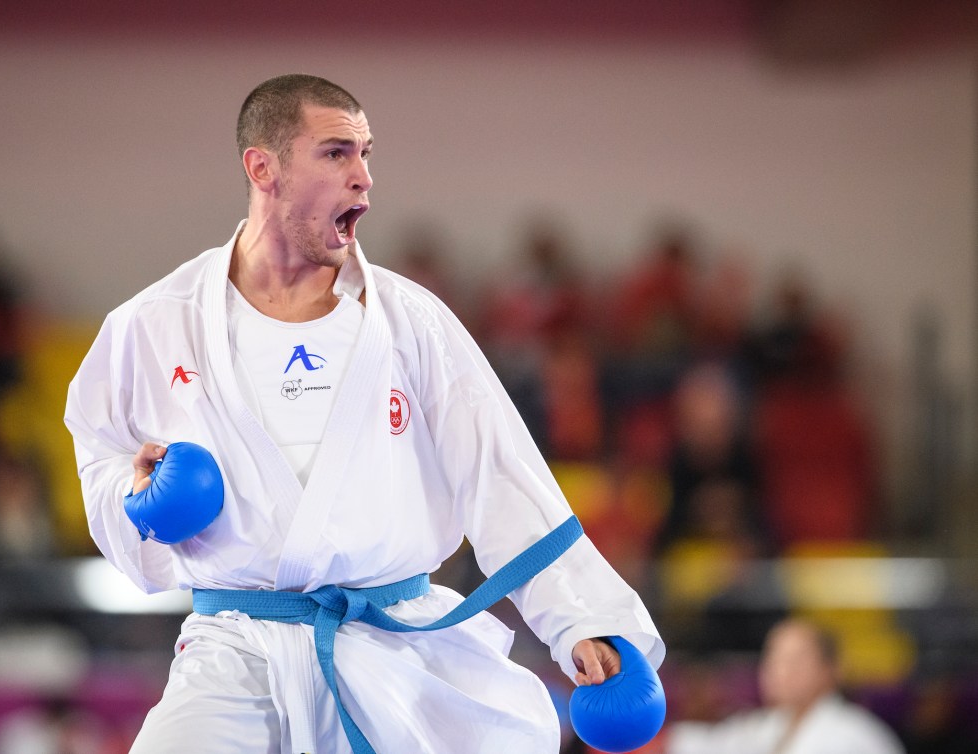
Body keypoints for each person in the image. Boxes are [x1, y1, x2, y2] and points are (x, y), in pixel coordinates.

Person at [65, 73, 663, 754]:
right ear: (263, 168)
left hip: (394, 648)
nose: (363, 178)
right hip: (235, 653)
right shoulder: (151, 325)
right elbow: (102, 459)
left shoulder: (412, 324)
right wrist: (136, 499)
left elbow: (500, 477)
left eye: (366, 154)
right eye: (336, 153)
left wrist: (581, 621)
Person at [665, 618, 905, 754]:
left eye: (794, 660)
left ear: (830, 670)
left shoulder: (854, 736)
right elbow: (711, 744)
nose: (778, 671)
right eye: (773, 658)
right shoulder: (767, 726)